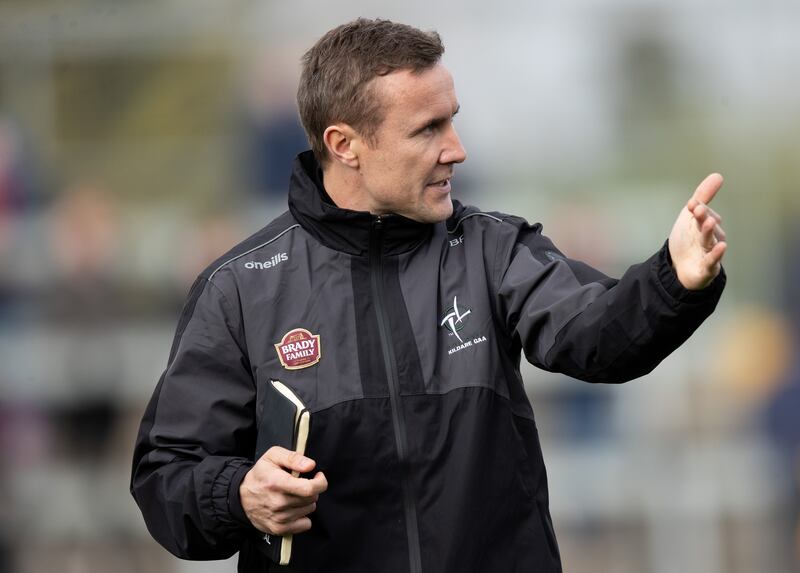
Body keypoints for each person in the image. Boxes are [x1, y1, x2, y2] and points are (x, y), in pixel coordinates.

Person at [131, 18, 727, 573]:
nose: (457, 148)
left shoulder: (492, 250)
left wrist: (674, 276)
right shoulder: (241, 288)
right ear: (344, 145)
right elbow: (167, 476)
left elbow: (599, 337)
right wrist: (240, 496)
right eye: (427, 129)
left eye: (453, 119)